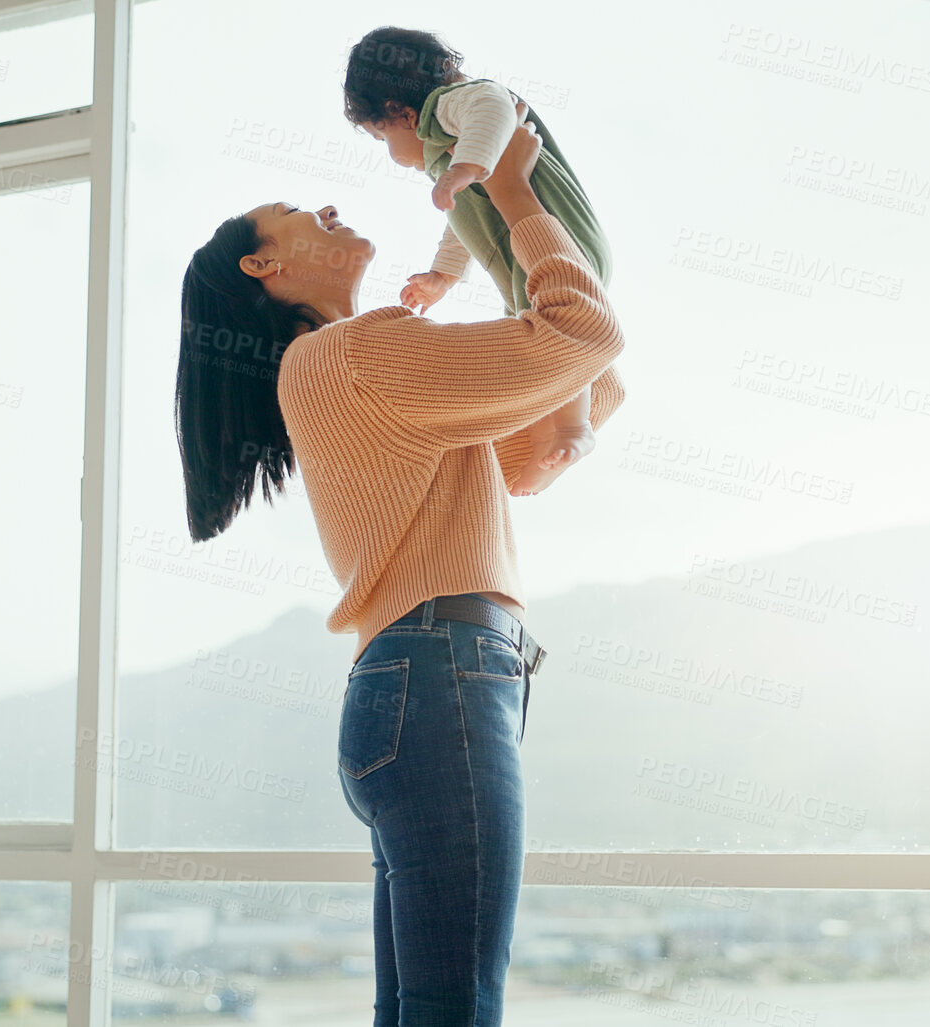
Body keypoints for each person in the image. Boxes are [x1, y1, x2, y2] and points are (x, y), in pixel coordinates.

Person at [174, 112, 625, 1025]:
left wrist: (539, 311)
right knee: (452, 1009)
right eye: (297, 210)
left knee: (430, 1009)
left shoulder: (352, 364)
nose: (329, 206)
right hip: (440, 681)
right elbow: (581, 335)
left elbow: (533, 452)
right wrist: (513, 198)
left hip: (423, 684)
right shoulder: (350, 351)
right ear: (263, 267)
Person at [344, 26, 615, 496]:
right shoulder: (454, 146)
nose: (390, 155)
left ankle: (573, 429)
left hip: (558, 242)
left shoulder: (451, 105)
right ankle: (557, 434)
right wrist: (443, 275)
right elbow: (464, 221)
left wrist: (468, 167)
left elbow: (494, 106)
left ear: (398, 112)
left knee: (550, 336)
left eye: (379, 136)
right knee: (535, 340)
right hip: (534, 256)